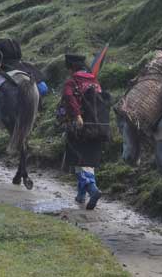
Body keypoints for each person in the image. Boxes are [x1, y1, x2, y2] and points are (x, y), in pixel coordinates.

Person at [59, 53, 103, 210]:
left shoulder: (72, 82)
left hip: (79, 126)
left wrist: (77, 116)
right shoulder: (94, 81)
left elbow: (69, 98)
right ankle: (81, 195)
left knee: (77, 161)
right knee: (88, 161)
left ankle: (92, 189)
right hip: (98, 126)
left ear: (71, 68)